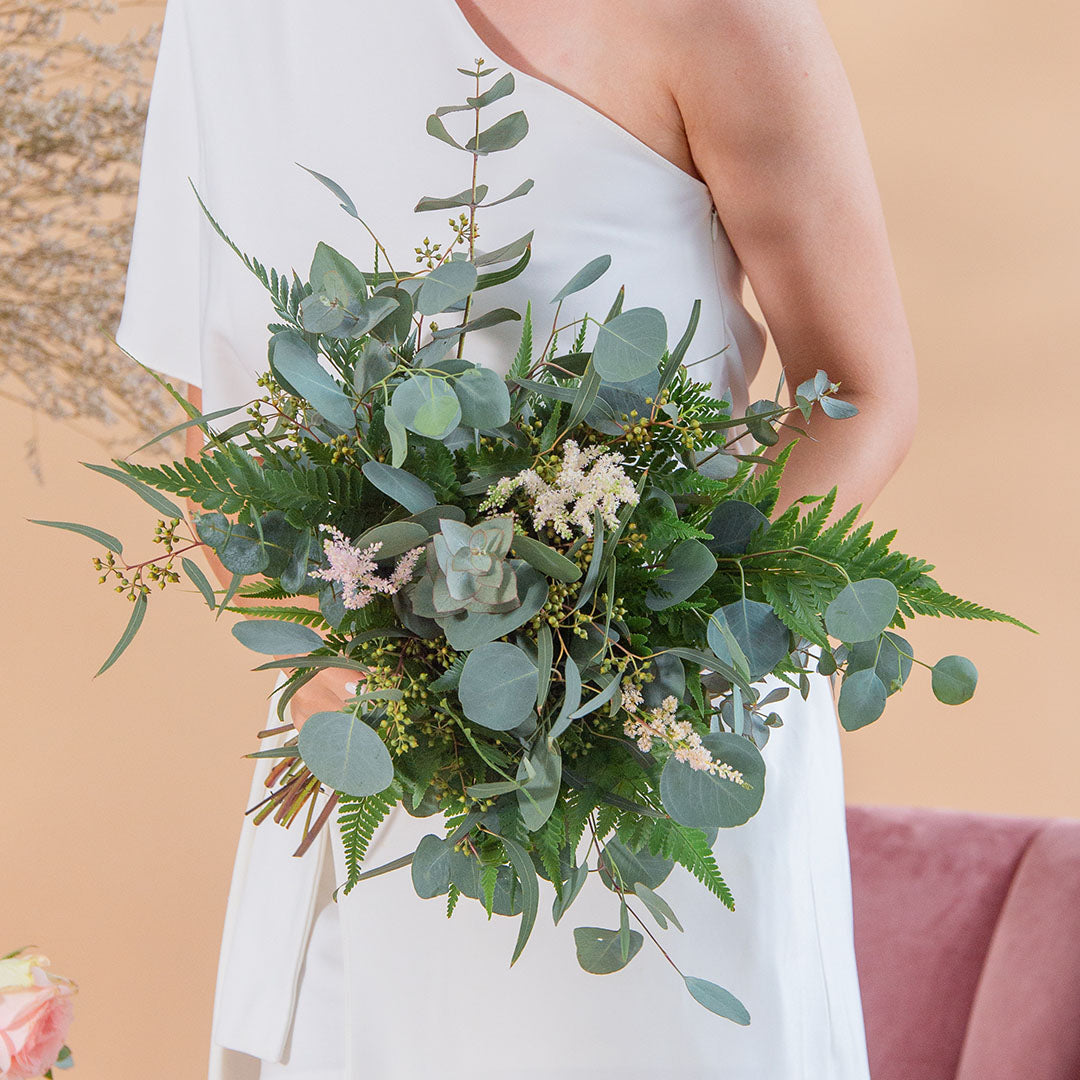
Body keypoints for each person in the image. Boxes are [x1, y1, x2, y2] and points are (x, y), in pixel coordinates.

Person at [116, 1, 917, 1076]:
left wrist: (636, 636)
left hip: (655, 744)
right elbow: (215, 416)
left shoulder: (722, 19)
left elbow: (861, 392)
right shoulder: (236, 20)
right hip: (381, 749)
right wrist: (325, 647)